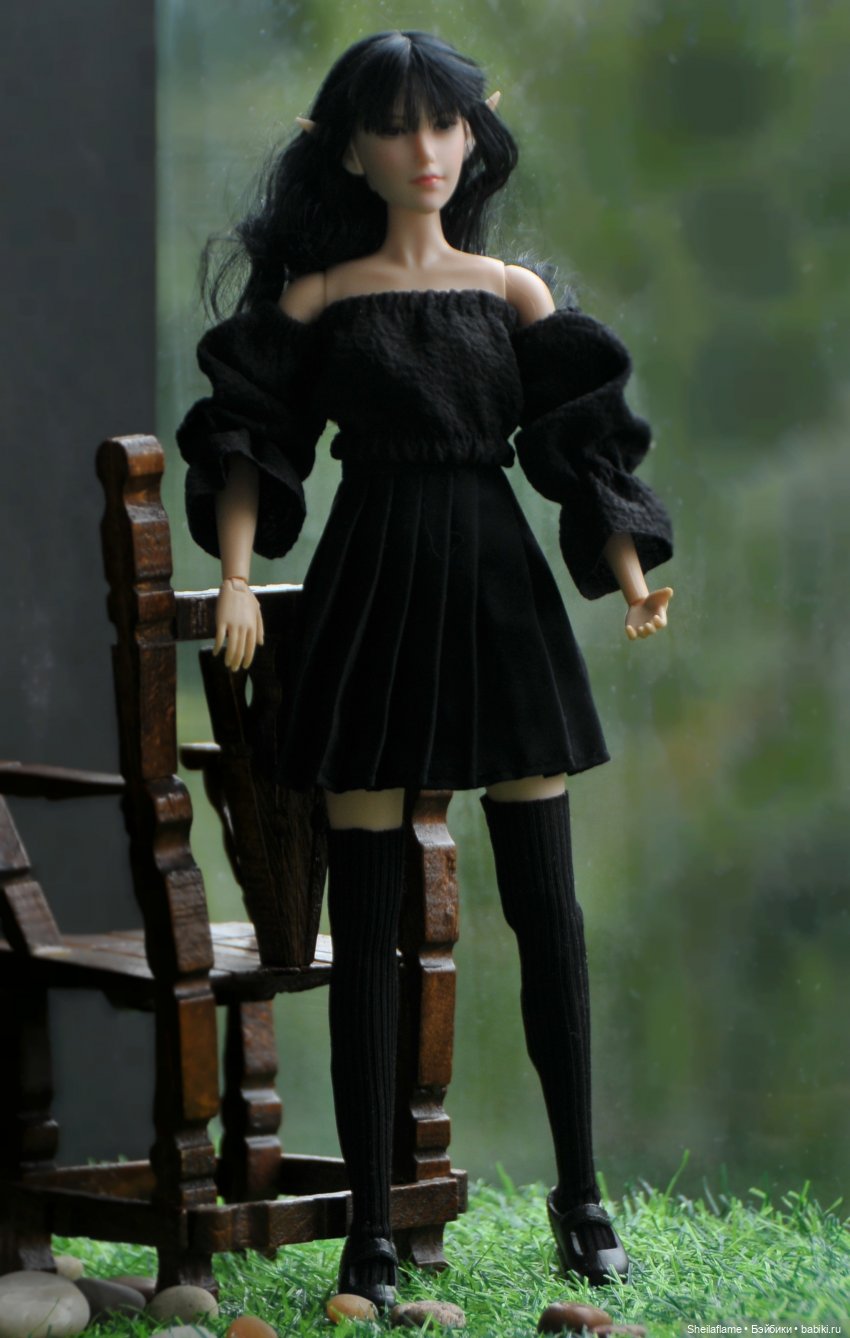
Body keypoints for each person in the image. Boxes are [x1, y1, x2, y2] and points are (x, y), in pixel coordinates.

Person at [177, 29, 674, 1307]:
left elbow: (582, 448)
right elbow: (251, 440)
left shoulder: (514, 296)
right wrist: (233, 578)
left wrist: (629, 572)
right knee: (370, 927)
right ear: (347, 150)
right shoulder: (316, 300)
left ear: (473, 130)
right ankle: (373, 1229)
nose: (425, 149)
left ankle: (580, 1196)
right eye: (396, 127)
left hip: (498, 596)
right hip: (370, 593)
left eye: (444, 123)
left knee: (545, 908)